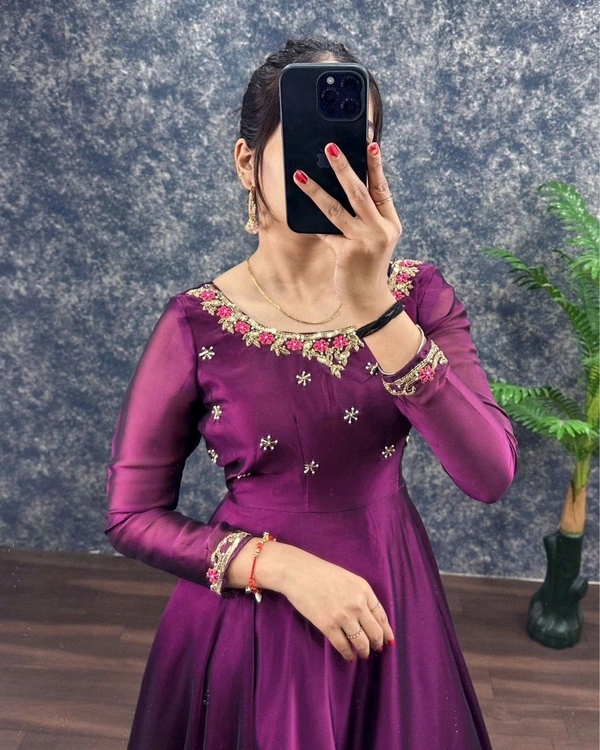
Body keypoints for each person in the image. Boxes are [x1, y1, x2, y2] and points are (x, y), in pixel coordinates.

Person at [105, 35, 518, 750]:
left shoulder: (417, 297)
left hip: (393, 603)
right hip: (256, 627)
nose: (331, 165)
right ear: (246, 162)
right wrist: (282, 568)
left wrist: (375, 308)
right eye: (306, 141)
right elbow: (131, 514)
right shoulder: (197, 324)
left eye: (353, 143)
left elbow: (491, 475)